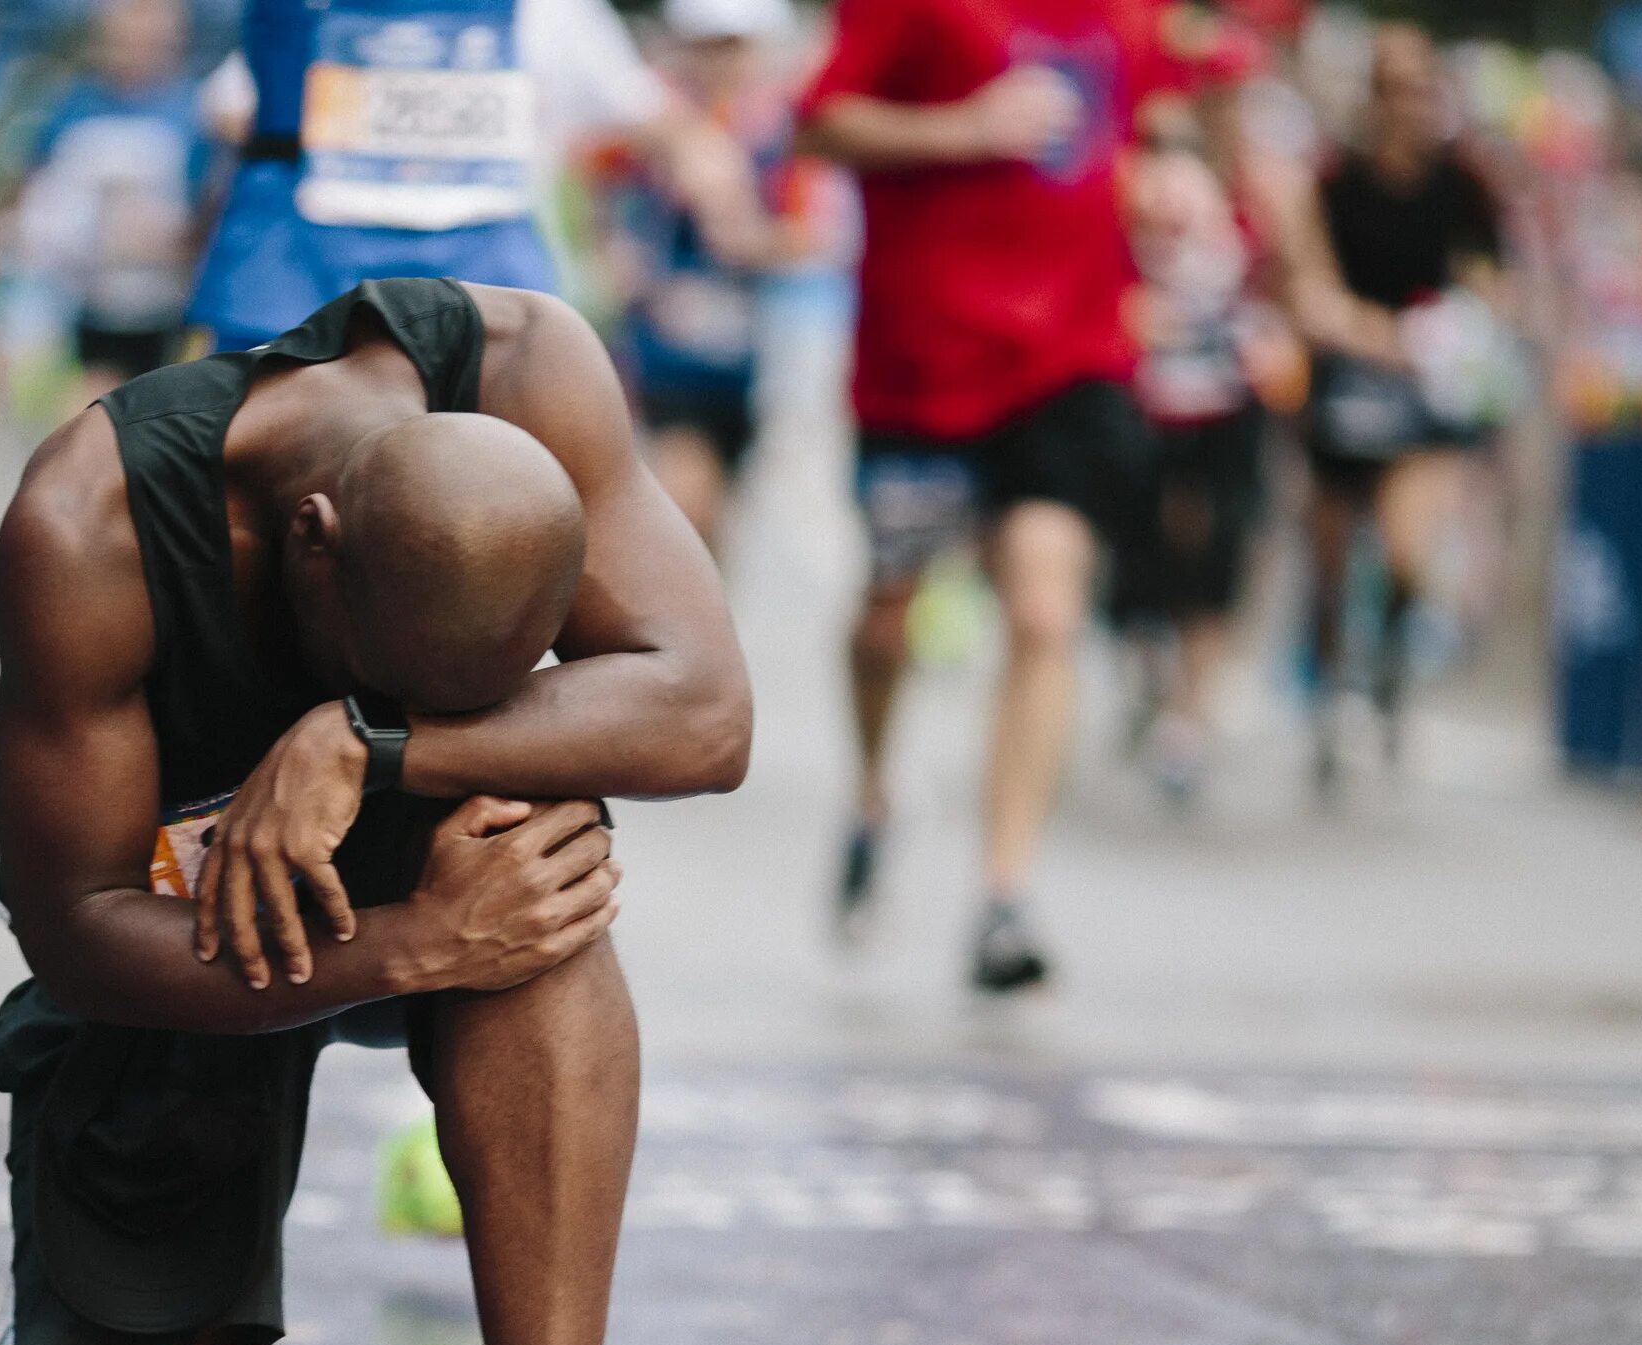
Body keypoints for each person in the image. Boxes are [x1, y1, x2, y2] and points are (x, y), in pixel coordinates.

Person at [0, 278, 751, 1345]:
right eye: (395, 674)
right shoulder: (86, 523)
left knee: (540, 876)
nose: (441, 708)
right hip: (185, 925)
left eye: (478, 689)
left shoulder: (528, 368)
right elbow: (69, 918)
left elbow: (705, 713)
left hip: (449, 873)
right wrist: (402, 948)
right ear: (314, 548)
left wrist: (375, 741)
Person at [797, 0, 1162, 987]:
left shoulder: (1130, 14)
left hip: (1072, 360)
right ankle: (873, 796)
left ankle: (1004, 895)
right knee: (888, 625)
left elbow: (1145, 127)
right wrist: (966, 127)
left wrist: (1174, 189)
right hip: (923, 366)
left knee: (1045, 611)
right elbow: (820, 123)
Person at [1278, 22, 1506, 796]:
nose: (1411, 105)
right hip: (1346, 386)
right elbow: (1309, 286)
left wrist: (1454, 330)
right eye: (1397, 89)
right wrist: (1376, 335)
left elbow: (1490, 282)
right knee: (1332, 559)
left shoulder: (1463, 183)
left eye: (1422, 88)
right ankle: (1328, 699)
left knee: (1411, 554)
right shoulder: (1333, 180)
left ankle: (1390, 673)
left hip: (1427, 394)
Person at [187, 0, 676, 354]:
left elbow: (650, 116)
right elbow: (225, 110)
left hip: (484, 269)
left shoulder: (557, 13)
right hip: (298, 268)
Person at [596, 0, 838, 558]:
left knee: (716, 518)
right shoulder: (647, 120)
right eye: (706, 43)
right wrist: (614, 251)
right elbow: (598, 189)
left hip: (752, 355)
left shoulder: (781, 132)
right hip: (659, 352)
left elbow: (815, 235)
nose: (717, 60)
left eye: (731, 44)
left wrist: (749, 239)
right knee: (682, 503)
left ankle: (704, 630)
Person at [1111, 89, 1297, 811]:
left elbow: (1287, 289)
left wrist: (1275, 335)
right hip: (1145, 404)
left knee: (1215, 551)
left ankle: (1189, 714)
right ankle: (1147, 668)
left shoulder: (1263, 196)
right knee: (1146, 553)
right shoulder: (1124, 187)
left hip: (1227, 407)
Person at [9, 0, 211, 400]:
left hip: (168, 310)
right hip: (83, 309)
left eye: (150, 41)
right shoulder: (72, 109)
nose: (135, 52)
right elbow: (30, 200)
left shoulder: (195, 113)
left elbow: (209, 211)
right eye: (123, 40)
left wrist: (171, 243)